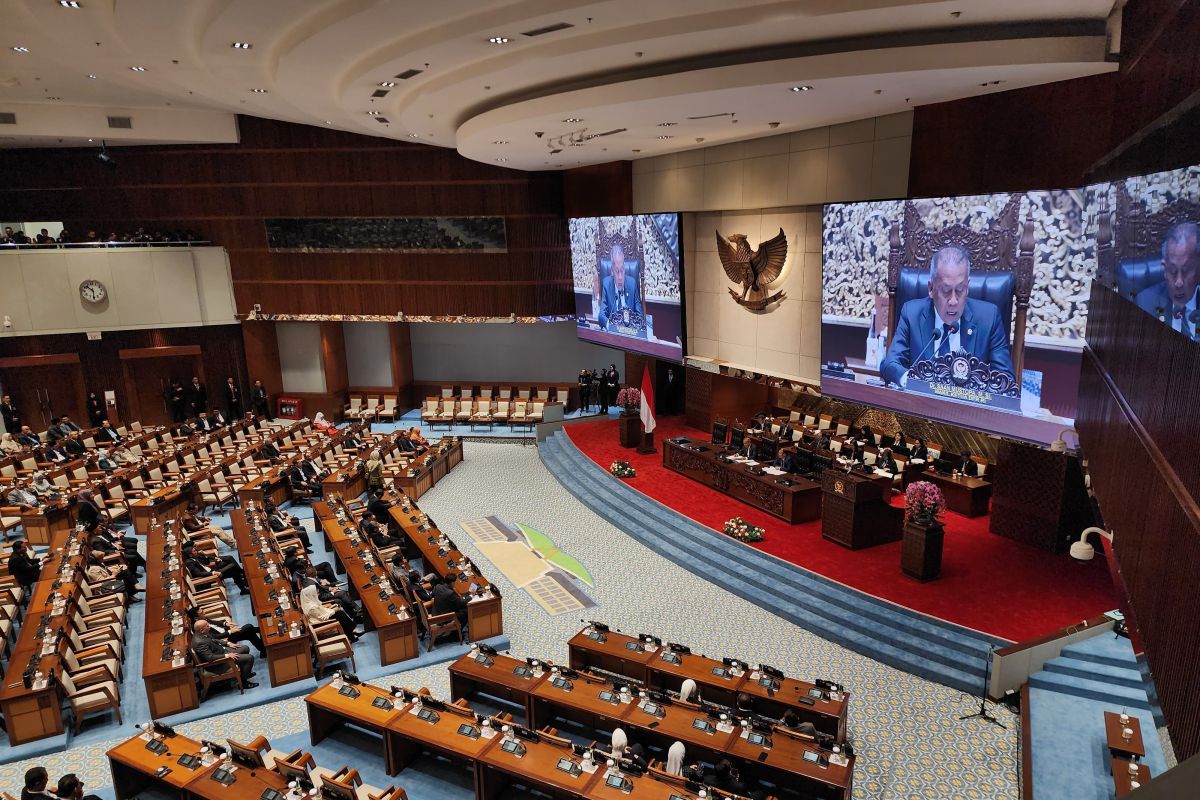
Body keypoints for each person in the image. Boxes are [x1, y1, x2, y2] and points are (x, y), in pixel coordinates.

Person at [880, 245, 1014, 387]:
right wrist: (914, 384)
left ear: (967, 287)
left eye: (960, 290)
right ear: (931, 289)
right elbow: (890, 364)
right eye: (945, 291)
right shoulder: (912, 314)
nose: (953, 301)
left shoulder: (989, 318)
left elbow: (1005, 380)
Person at [1134, 222, 1199, 339]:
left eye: (1186, 271)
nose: (1179, 282)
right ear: (1164, 268)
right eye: (1173, 271)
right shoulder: (1145, 304)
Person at [191, 619, 258, 688]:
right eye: (207, 626)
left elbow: (214, 639)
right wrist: (227, 656)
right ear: (202, 630)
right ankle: (244, 683)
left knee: (245, 648)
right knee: (250, 658)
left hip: (221, 652)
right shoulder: (199, 642)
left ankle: (244, 673)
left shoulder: (201, 633)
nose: (210, 627)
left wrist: (228, 643)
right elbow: (210, 657)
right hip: (218, 664)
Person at [185, 606, 266, 658]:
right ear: (196, 618)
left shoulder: (202, 618)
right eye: (202, 613)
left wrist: (225, 623)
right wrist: (230, 631)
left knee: (249, 632)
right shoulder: (199, 627)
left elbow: (214, 622)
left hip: (225, 632)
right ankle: (262, 631)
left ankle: (263, 650)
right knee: (248, 627)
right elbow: (214, 637)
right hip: (224, 639)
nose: (204, 613)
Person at [598, 242, 642, 331]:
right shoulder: (606, 284)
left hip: (631, 333)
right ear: (612, 271)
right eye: (617, 272)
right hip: (613, 333)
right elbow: (601, 316)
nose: (620, 277)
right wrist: (612, 328)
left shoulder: (632, 284)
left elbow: (640, 316)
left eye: (622, 270)